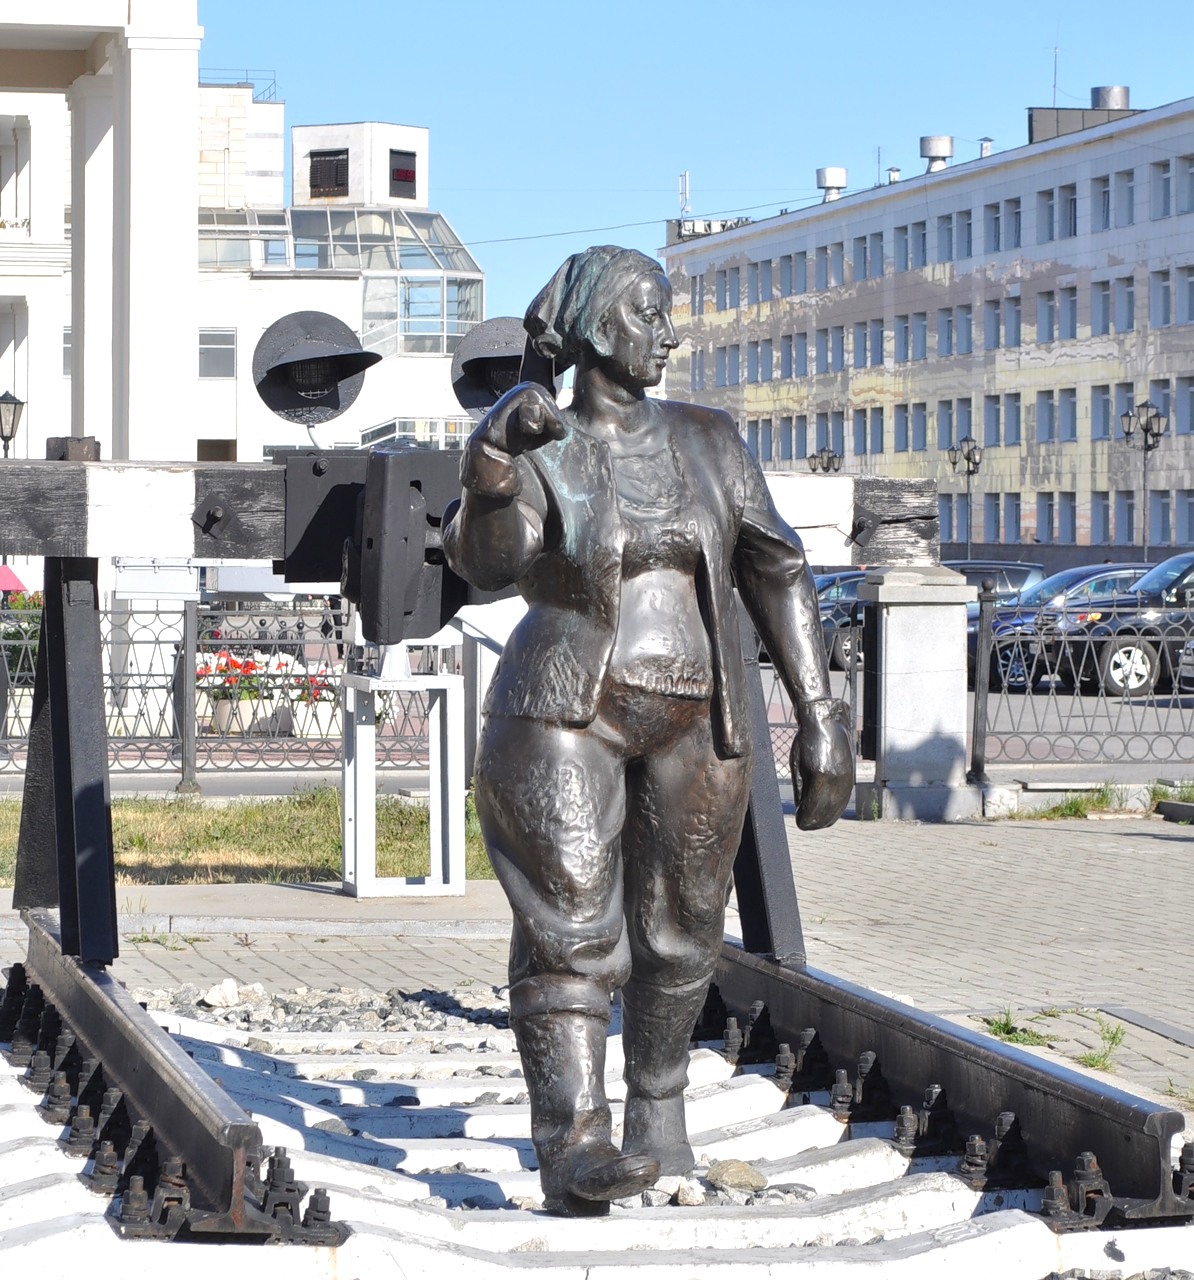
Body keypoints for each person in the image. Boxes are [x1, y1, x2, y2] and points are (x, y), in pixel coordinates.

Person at [442, 245, 852, 1215]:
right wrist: (491, 468)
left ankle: (658, 1120)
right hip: (563, 709)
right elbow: (488, 564)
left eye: (666, 313)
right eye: (646, 313)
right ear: (593, 328)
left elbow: (778, 568)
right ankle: (575, 1144)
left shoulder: (712, 442)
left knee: (682, 931)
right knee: (574, 927)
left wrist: (820, 715)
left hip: (698, 716)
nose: (667, 333)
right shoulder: (538, 441)